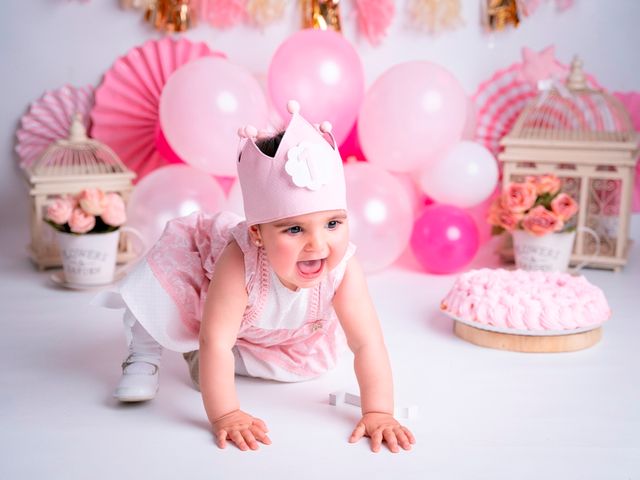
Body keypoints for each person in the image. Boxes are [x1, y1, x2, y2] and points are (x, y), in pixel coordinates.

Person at [109, 100, 415, 453]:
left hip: (274, 333)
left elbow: (367, 343)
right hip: (213, 308)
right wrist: (226, 413)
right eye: (295, 229)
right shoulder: (238, 262)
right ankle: (144, 355)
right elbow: (217, 341)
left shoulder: (344, 269)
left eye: (332, 224)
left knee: (308, 368)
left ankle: (199, 360)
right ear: (258, 235)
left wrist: (378, 411)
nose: (318, 243)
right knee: (161, 291)